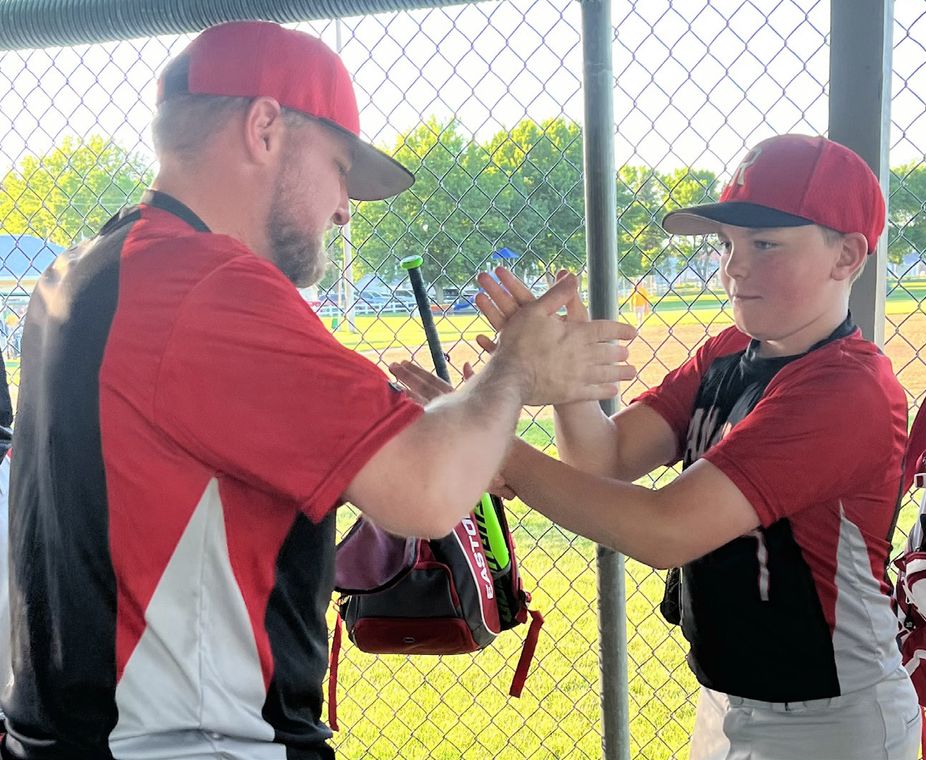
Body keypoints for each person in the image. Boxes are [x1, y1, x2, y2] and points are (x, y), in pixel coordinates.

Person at [2, 21, 636, 760]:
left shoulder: (82, 271)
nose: (345, 208)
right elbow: (427, 492)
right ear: (265, 127)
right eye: (339, 168)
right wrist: (517, 368)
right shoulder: (208, 285)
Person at [393, 134, 920, 760]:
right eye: (728, 244)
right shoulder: (726, 353)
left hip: (830, 717)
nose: (735, 266)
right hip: (729, 699)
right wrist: (568, 386)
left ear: (848, 255)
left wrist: (483, 437)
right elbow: (604, 461)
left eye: (766, 243)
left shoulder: (846, 387)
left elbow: (665, 530)